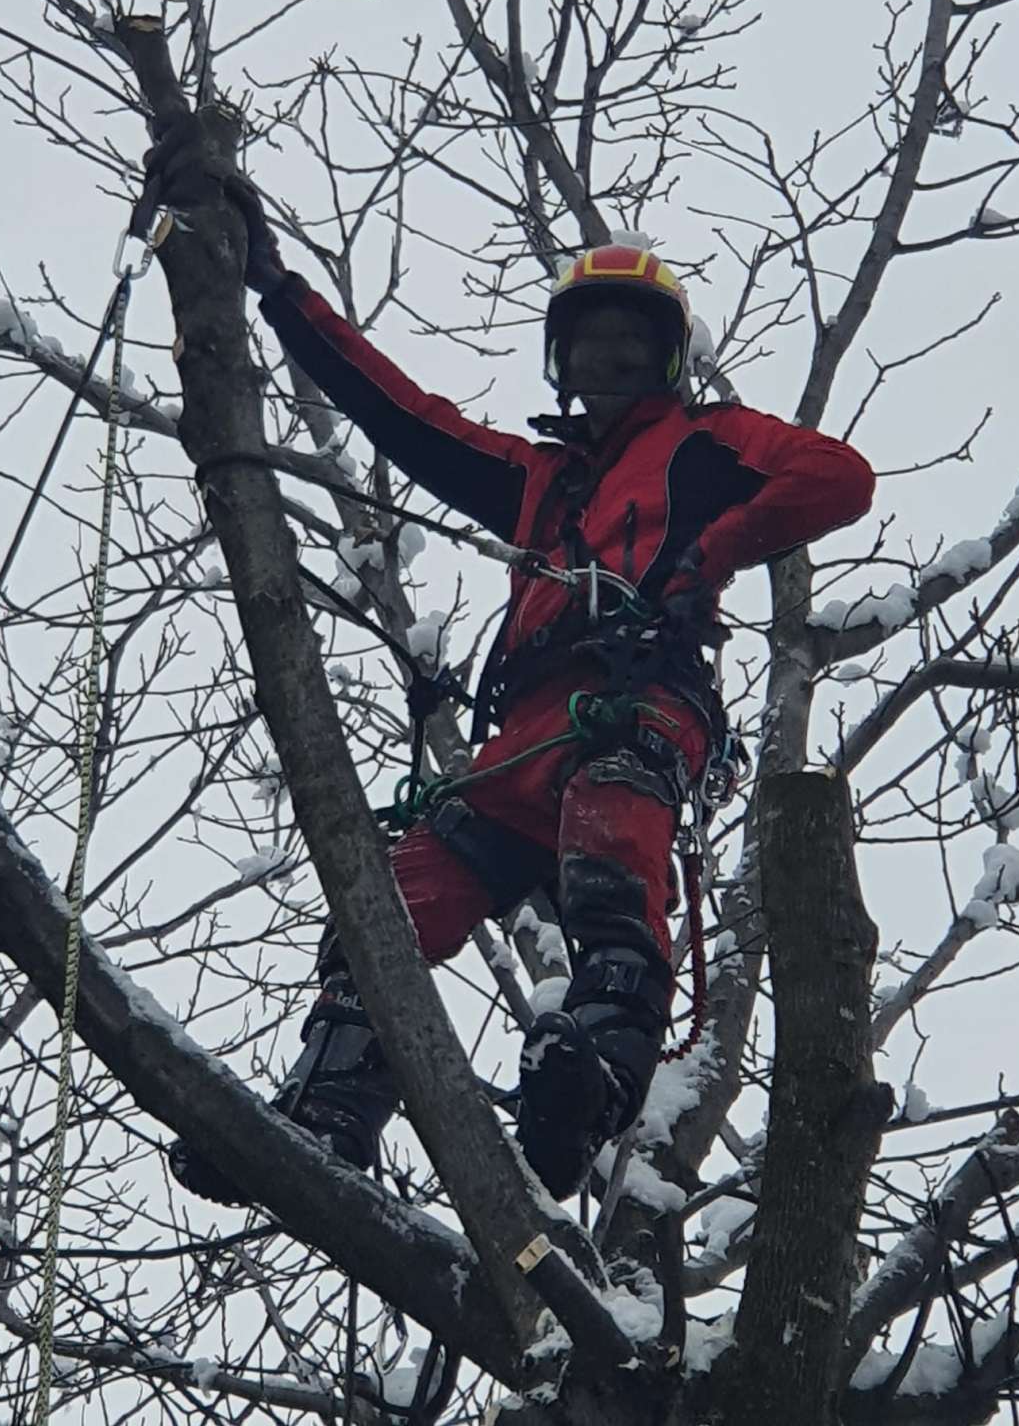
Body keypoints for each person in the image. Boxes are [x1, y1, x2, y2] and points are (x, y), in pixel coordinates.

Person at [149, 119, 875, 1204]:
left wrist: (707, 553)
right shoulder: (541, 480)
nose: (610, 365)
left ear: (669, 357)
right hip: (519, 738)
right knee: (395, 901)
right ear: (563, 362)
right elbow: (403, 413)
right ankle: (334, 1102)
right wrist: (276, 289)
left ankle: (591, 1072)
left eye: (632, 346)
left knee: (610, 857)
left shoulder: (710, 443)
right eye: (591, 348)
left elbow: (838, 476)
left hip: (632, 711)